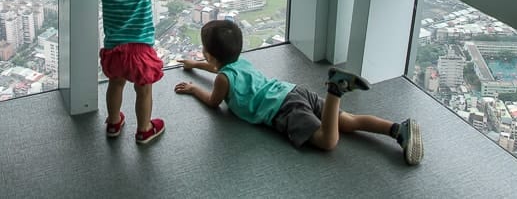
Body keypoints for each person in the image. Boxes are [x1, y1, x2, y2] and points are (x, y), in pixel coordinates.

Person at [174, 19, 423, 165]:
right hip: (293, 91)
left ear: (211, 54)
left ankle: (335, 90)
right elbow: (218, 67)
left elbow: (213, 102)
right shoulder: (241, 62)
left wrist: (195, 88)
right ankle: (397, 129)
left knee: (328, 140)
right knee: (347, 121)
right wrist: (195, 64)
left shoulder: (223, 80)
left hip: (282, 110)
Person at [85, 0, 182, 144]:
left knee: (115, 85)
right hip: (140, 51)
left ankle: (113, 122)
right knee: (144, 90)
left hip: (114, 49)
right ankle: (144, 129)